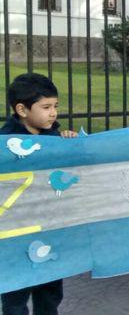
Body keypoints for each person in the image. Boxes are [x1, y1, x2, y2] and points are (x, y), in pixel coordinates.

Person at [1, 73, 77, 315]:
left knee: (51, 288)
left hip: (50, 226)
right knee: (15, 294)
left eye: (55, 106)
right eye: (46, 107)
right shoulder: (5, 143)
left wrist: (71, 144)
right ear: (22, 109)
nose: (53, 113)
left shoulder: (55, 138)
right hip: (15, 231)